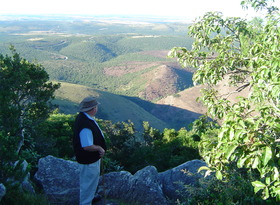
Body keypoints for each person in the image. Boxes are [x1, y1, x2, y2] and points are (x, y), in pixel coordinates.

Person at [73, 96, 107, 205]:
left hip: (90, 160)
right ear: (93, 109)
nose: (96, 108)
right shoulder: (85, 125)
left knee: (90, 182)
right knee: (88, 184)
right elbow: (87, 146)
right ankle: (86, 202)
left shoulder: (84, 118)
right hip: (89, 161)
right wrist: (99, 148)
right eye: (96, 106)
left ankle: (91, 197)